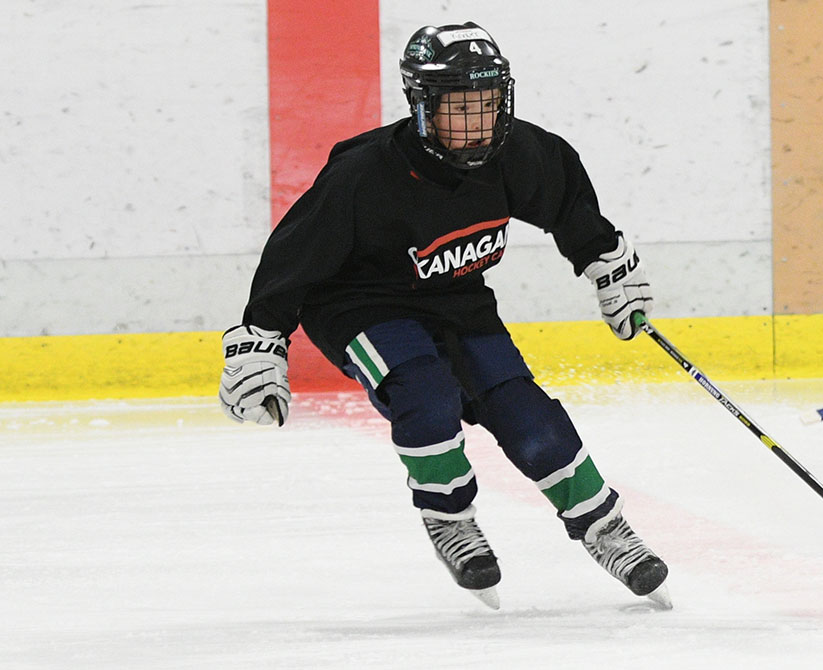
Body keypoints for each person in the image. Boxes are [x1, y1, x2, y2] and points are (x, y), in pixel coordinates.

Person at [217, 22, 669, 608]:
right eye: (458, 108)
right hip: (360, 302)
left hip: (458, 298)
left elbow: (570, 207)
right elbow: (294, 255)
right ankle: (449, 516)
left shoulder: (521, 152)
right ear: (421, 105)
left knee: (525, 414)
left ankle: (605, 528)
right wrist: (260, 338)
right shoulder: (364, 174)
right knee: (425, 394)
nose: (477, 124)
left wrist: (607, 263)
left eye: (487, 105)